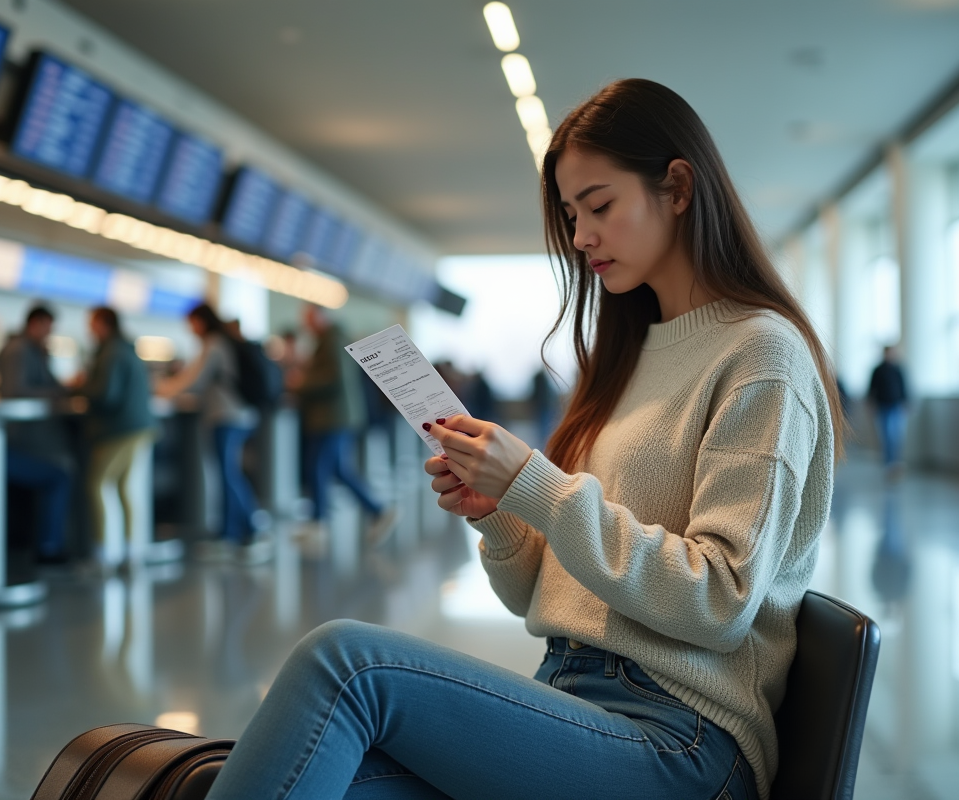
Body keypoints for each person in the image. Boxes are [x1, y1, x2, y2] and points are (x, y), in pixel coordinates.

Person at [206, 79, 840, 800]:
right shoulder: (631, 354)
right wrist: (500, 508)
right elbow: (535, 592)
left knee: (346, 665)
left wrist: (541, 486)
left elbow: (721, 602)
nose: (580, 238)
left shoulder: (761, 353)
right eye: (571, 215)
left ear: (679, 187)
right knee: (330, 777)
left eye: (599, 206)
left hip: (684, 741)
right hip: (577, 700)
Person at [156, 303, 269, 557]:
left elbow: (193, 380)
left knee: (228, 475)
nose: (190, 329)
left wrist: (161, 389)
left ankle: (247, 528)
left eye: (191, 322)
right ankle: (233, 531)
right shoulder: (225, 341)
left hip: (226, 417)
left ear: (201, 321)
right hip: (239, 415)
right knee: (229, 473)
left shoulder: (214, 343)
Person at [295, 304, 397, 548]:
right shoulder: (330, 339)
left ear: (321, 317)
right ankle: (377, 510)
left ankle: (318, 523)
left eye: (309, 319)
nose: (306, 325)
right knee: (338, 469)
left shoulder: (332, 339)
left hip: (333, 418)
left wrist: (300, 384)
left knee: (318, 467)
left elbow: (333, 379)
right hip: (335, 417)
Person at [78, 307, 155, 569]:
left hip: (119, 429)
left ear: (103, 324)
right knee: (123, 488)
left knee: (96, 484)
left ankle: (101, 553)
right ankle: (131, 552)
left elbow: (106, 394)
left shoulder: (110, 353)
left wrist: (81, 387)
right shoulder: (126, 349)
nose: (89, 329)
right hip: (137, 427)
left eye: (91, 323)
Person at [0, 304, 73, 562]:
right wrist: (54, 394)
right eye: (48, 327)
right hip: (18, 443)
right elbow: (14, 391)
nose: (49, 333)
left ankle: (46, 543)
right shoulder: (18, 351)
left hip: (28, 443)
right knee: (58, 477)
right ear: (35, 323)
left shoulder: (34, 351)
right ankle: (48, 547)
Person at [867, 345, 907, 474]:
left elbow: (903, 387)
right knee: (887, 435)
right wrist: (871, 404)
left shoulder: (898, 369)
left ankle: (895, 461)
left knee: (896, 435)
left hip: (896, 406)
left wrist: (905, 402)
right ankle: (888, 462)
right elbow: (871, 388)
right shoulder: (878, 370)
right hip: (883, 406)